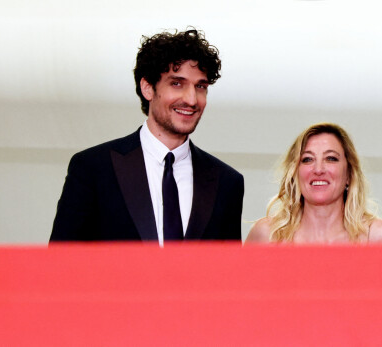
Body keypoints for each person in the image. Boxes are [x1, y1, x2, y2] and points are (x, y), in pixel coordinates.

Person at [50, 28, 244, 244]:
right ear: (148, 88)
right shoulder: (93, 168)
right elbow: (60, 265)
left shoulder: (227, 182)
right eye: (177, 83)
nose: (191, 99)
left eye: (200, 86)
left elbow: (228, 274)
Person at [245, 123, 382, 244]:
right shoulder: (266, 235)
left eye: (331, 158)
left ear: (349, 174)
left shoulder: (378, 237)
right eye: (307, 159)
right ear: (295, 174)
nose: (318, 169)